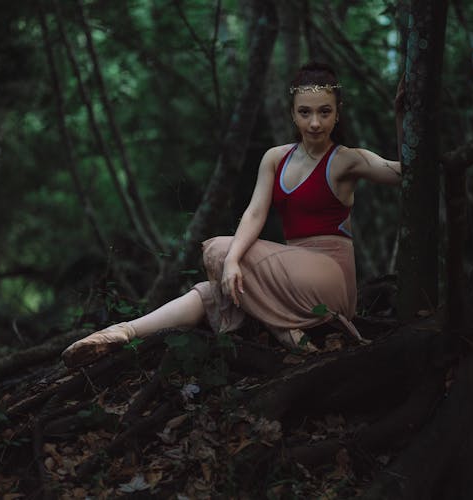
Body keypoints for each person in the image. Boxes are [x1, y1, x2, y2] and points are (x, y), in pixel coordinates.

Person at [61, 62, 402, 369]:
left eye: (325, 112)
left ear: (338, 114)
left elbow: (403, 173)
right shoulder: (275, 158)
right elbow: (254, 213)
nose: (315, 123)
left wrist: (404, 124)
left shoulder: (347, 159)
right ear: (293, 114)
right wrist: (235, 261)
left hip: (330, 277)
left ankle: (287, 335)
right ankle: (119, 333)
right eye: (305, 112)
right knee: (212, 291)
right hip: (290, 269)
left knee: (221, 252)